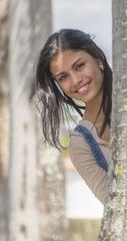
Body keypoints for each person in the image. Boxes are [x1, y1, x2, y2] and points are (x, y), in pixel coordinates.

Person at [35, 29, 112, 203]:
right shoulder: (81, 145)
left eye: (79, 66)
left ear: (98, 59)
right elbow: (114, 204)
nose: (76, 80)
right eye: (63, 77)